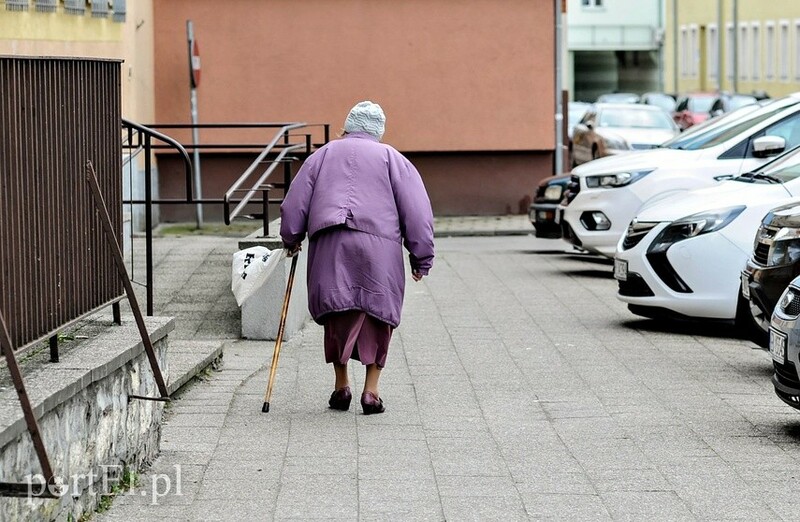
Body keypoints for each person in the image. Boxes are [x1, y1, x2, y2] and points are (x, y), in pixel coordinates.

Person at [280, 100, 435, 415]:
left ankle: (341, 386)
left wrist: (291, 237)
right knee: (378, 315)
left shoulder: (320, 156)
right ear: (378, 131)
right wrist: (421, 258)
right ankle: (371, 391)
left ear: (347, 126)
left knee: (337, 313)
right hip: (379, 247)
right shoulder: (393, 159)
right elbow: (418, 212)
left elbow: (295, 201)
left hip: (330, 244)